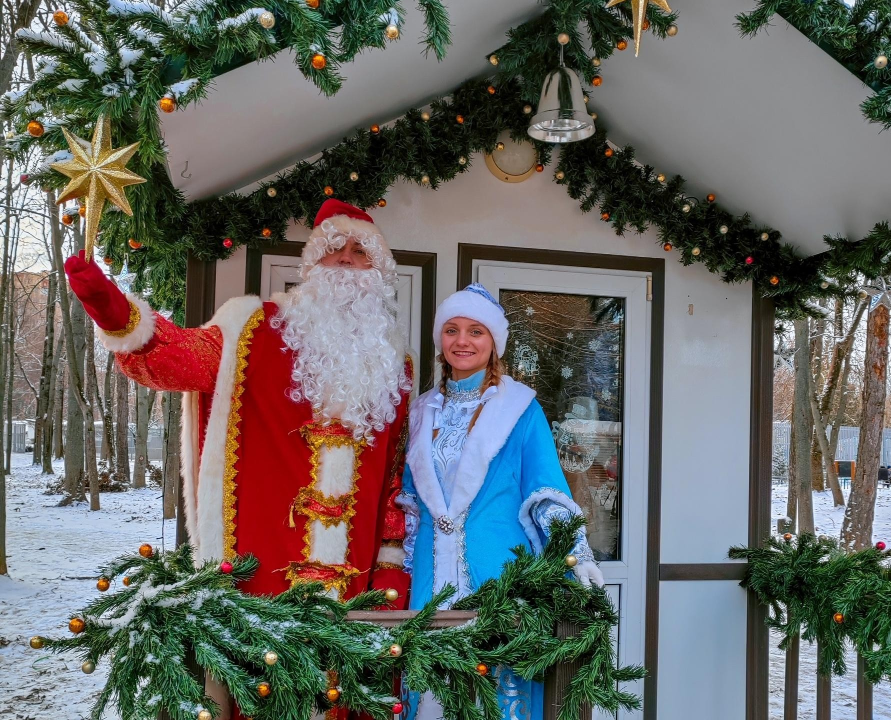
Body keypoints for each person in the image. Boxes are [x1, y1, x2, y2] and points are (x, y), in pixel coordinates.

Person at [64, 198, 413, 603]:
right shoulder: (251, 328)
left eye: (360, 252)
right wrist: (112, 310)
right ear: (313, 264)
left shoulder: (395, 365)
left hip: (357, 580)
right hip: (259, 566)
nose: (345, 261)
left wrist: (391, 566)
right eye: (333, 248)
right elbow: (177, 357)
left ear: (378, 271)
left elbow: (397, 476)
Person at [397, 284, 603, 720]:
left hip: (499, 572)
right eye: (452, 330)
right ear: (441, 340)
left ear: (494, 343)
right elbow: (411, 504)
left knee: (496, 695)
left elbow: (546, 491)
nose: (462, 341)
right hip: (431, 578)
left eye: (476, 331)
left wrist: (576, 553)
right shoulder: (421, 412)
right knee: (430, 692)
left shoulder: (520, 409)